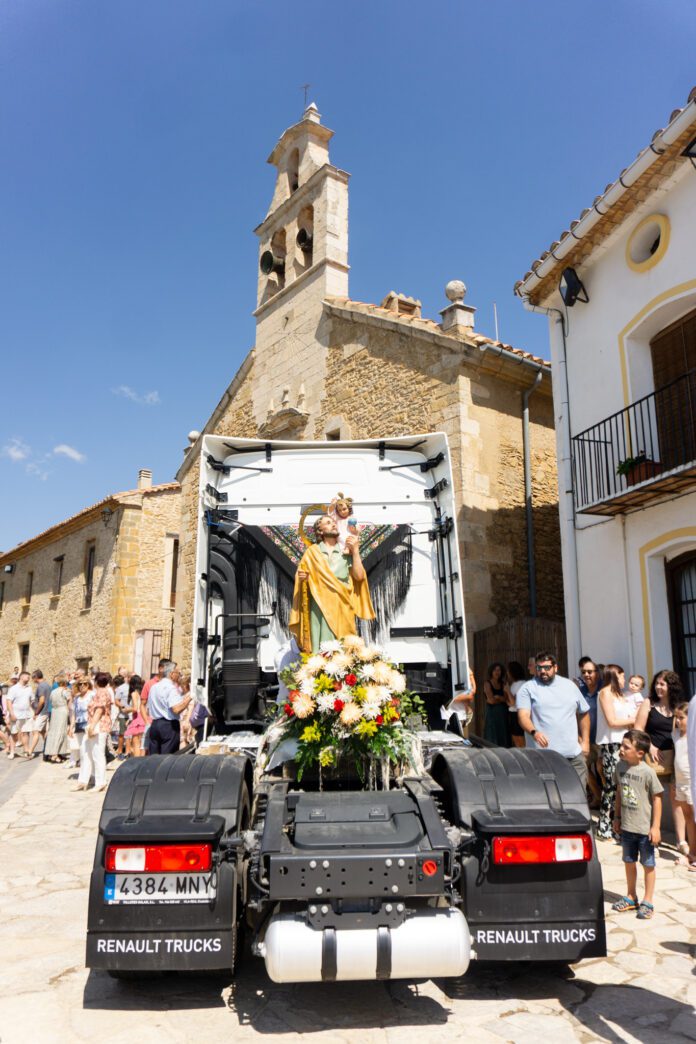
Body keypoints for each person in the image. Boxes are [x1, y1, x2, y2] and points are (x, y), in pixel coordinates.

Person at [290, 514, 375, 653]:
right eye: (328, 522)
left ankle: (346, 672)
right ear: (320, 531)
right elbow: (301, 576)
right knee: (320, 646)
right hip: (319, 607)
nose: (334, 524)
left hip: (342, 604)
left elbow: (359, 577)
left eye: (334, 522)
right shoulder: (312, 553)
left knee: (345, 646)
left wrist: (356, 551)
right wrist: (303, 578)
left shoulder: (345, 552)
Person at [516, 651, 590, 788]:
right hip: (543, 758)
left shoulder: (570, 686)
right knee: (548, 800)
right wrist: (534, 732)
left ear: (555, 668)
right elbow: (523, 716)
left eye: (547, 668)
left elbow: (584, 713)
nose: (543, 671)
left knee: (578, 799)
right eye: (539, 668)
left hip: (573, 756)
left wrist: (585, 741)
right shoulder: (528, 689)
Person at [611, 729, 663, 920]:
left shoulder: (648, 773)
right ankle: (631, 896)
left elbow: (657, 798)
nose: (621, 750)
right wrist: (616, 817)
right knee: (628, 861)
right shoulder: (620, 767)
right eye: (621, 745)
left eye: (626, 747)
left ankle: (648, 901)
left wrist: (655, 826)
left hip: (644, 830)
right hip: (627, 827)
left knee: (648, 864)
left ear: (640, 753)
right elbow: (619, 792)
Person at [595, 664, 638, 841]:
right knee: (611, 785)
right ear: (614, 675)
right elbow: (611, 721)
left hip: (625, 742)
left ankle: (621, 826)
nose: (623, 680)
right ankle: (605, 826)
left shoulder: (622, 695)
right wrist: (633, 719)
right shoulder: (605, 693)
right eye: (621, 676)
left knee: (624, 785)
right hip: (612, 743)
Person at [74, 672, 112, 791]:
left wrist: (92, 725)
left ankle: (100, 782)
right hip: (95, 725)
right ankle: (83, 780)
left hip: (99, 726)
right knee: (85, 752)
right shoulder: (100, 692)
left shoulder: (102, 693)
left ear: (95, 682)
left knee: (97, 754)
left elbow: (99, 710)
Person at [147, 661, 193, 754]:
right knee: (167, 759)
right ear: (171, 674)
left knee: (154, 758)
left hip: (155, 724)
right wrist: (190, 698)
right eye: (178, 673)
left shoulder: (154, 687)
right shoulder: (170, 688)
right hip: (168, 726)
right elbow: (176, 709)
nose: (179, 675)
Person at [575, 657, 603, 808]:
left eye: (590, 672)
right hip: (586, 739)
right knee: (582, 766)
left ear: (597, 673)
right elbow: (575, 713)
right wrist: (579, 736)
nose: (586, 674)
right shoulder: (580, 691)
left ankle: (608, 801)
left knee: (602, 768)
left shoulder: (604, 690)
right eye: (583, 672)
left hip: (602, 739)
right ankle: (598, 796)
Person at [671, 701, 696, 867]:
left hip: (691, 782)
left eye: (682, 718)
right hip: (680, 782)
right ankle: (692, 853)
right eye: (676, 717)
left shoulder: (693, 737)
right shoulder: (675, 735)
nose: (678, 721)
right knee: (688, 817)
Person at [6, 671, 35, 758]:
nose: (29, 678)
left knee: (26, 733)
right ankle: (12, 751)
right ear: (21, 677)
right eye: (27, 676)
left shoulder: (29, 688)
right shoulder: (13, 689)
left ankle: (26, 751)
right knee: (14, 734)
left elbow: (32, 700)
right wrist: (11, 713)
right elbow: (9, 701)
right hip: (15, 714)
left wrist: (33, 711)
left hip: (26, 715)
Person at [44, 674, 71, 763]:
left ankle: (54, 752)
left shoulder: (53, 691)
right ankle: (55, 754)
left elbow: (51, 701)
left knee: (54, 731)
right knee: (60, 731)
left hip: (55, 711)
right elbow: (69, 701)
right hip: (62, 711)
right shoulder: (65, 691)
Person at [483, 662, 512, 747]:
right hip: (492, 714)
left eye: (499, 670)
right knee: (492, 734)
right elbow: (491, 700)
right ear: (491, 671)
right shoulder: (487, 683)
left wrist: (498, 697)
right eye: (495, 670)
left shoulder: (503, 684)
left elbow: (506, 699)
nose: (497, 672)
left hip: (503, 714)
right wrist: (501, 699)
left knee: (503, 734)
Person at [28, 669, 51, 758]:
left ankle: (30, 751)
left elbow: (42, 701)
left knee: (35, 731)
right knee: (43, 731)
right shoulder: (48, 685)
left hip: (42, 712)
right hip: (46, 711)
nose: (32, 680)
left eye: (33, 678)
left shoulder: (41, 686)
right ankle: (48, 750)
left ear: (36, 677)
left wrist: (36, 713)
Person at [123, 675, 147, 757]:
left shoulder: (134, 693)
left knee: (136, 744)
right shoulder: (142, 693)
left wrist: (127, 710)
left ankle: (136, 763)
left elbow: (135, 708)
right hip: (144, 718)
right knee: (141, 744)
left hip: (137, 719)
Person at [506, 662, 527, 749]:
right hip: (512, 713)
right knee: (516, 740)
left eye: (508, 671)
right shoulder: (514, 684)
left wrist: (507, 690)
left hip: (518, 714)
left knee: (520, 741)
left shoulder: (522, 684)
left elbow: (512, 703)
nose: (507, 673)